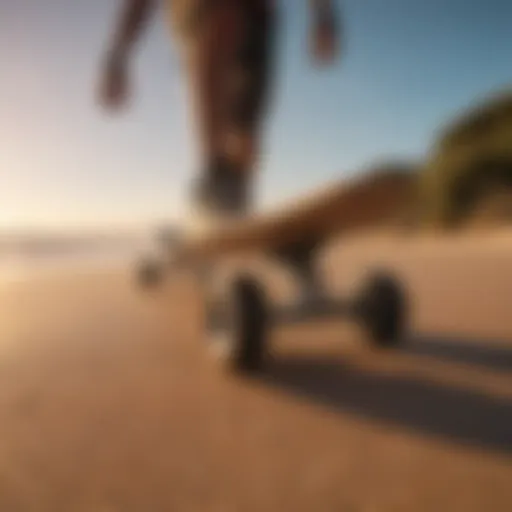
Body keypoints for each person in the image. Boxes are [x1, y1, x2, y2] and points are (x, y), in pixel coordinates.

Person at [98, 0, 341, 235]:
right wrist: (118, 54)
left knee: (246, 131)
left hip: (258, 16)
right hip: (202, 14)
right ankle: (215, 178)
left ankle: (234, 190)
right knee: (223, 17)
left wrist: (323, 13)